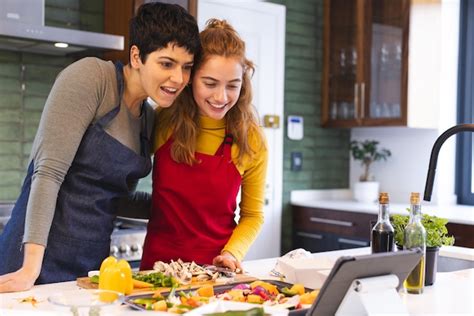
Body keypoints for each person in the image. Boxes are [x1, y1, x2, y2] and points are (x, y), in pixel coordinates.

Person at [0, 3, 201, 292]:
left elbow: (111, 197)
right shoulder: (93, 78)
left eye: (186, 67)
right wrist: (29, 270)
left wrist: (179, 207)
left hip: (91, 265)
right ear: (136, 56)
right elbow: (48, 174)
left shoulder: (149, 120)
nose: (178, 78)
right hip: (32, 260)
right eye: (166, 63)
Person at [140, 19, 268, 272]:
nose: (221, 97)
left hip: (216, 269)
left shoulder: (251, 138)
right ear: (190, 78)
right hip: (157, 269)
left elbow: (253, 215)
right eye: (210, 83)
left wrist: (233, 253)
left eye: (233, 85)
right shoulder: (164, 119)